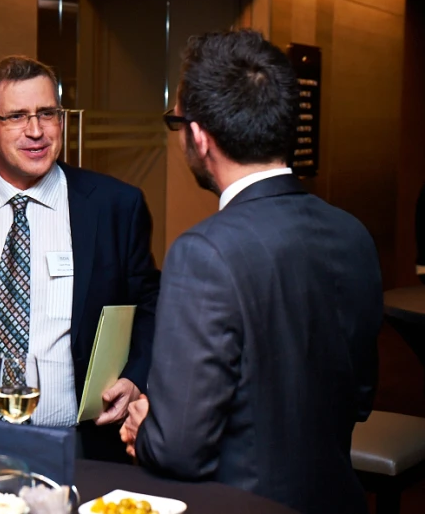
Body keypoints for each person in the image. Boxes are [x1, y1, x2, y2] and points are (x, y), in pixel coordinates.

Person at [119, 30, 381, 514]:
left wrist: (147, 429)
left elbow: (179, 450)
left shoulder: (203, 252)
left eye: (177, 122)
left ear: (199, 136)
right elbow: (359, 397)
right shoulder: (353, 233)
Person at [0, 55, 160, 461]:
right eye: (17, 116)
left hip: (81, 444)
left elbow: (150, 309)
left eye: (47, 114)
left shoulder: (115, 205)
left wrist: (134, 379)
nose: (35, 131)